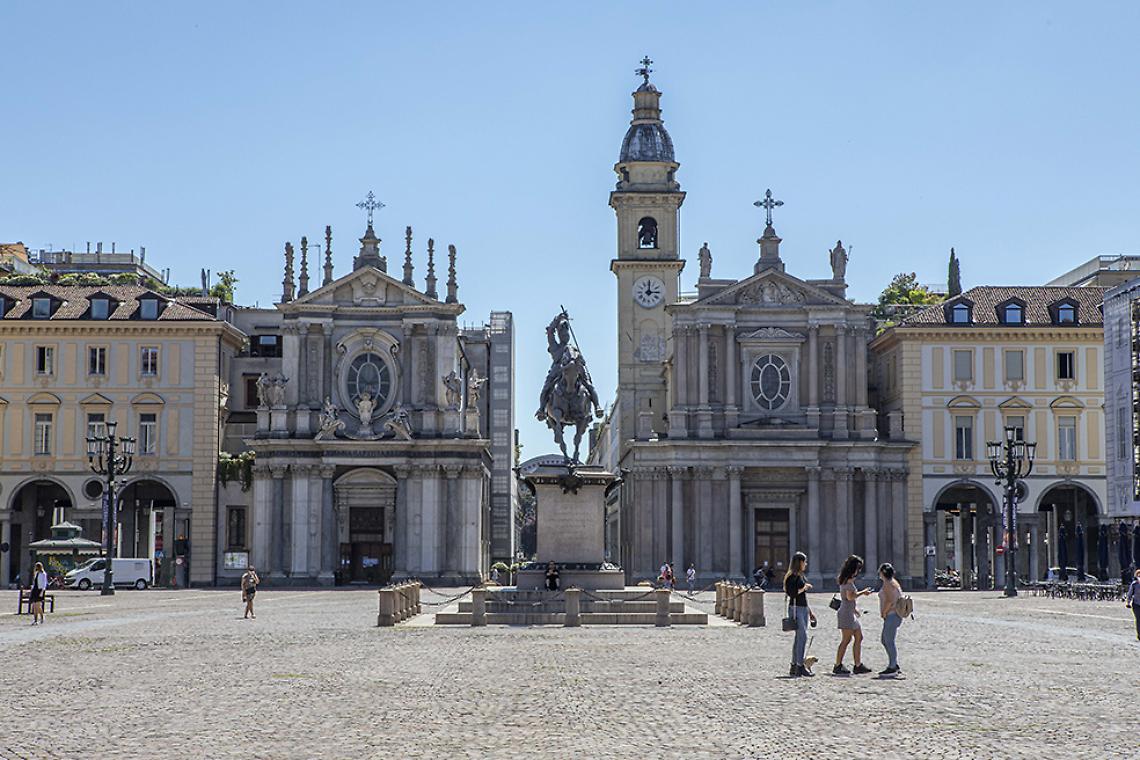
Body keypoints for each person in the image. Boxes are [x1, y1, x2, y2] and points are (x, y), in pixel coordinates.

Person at [833, 555, 875, 675]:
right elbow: (850, 597)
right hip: (846, 614)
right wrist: (863, 592)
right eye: (858, 568)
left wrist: (854, 609)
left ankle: (858, 665)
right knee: (846, 640)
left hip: (850, 612)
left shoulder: (847, 579)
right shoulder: (847, 581)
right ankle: (838, 665)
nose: (858, 571)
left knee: (859, 637)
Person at [784, 551, 816, 677]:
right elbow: (792, 593)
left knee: (799, 638)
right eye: (804, 562)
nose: (806, 564)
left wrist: (810, 612)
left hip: (802, 608)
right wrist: (804, 588)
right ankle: (799, 665)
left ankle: (794, 665)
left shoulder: (800, 576)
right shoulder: (792, 577)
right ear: (800, 563)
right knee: (802, 637)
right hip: (796, 609)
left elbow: (803, 598)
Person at [877, 562, 904, 676]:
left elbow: (890, 601)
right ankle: (894, 663)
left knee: (888, 641)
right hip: (895, 615)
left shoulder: (888, 584)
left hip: (891, 615)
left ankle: (893, 666)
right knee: (885, 640)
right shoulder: (893, 582)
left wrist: (884, 612)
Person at [1127, 567, 1140, 641]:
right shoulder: (1134, 584)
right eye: (1138, 575)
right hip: (1136, 604)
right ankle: (1139, 634)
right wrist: (1128, 602)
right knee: (1138, 619)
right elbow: (1130, 594)